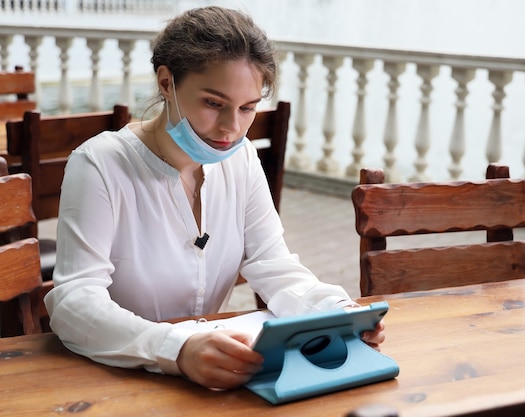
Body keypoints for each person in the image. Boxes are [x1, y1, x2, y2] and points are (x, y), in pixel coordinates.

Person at [44, 6, 384, 390]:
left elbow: (272, 264)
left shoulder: (241, 158)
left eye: (248, 108)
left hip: (212, 381)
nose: (231, 128)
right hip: (113, 379)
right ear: (166, 82)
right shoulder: (100, 164)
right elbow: (74, 302)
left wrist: (334, 312)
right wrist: (177, 348)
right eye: (213, 103)